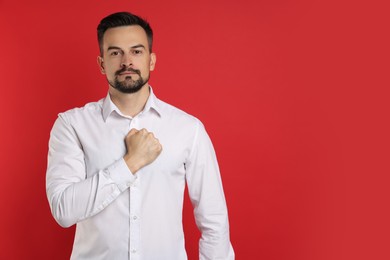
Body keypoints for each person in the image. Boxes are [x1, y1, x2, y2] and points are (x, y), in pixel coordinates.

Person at [46, 11, 234, 260]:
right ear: (102, 64)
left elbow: (214, 222)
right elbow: (64, 210)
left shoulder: (188, 129)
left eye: (136, 51)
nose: (127, 62)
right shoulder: (71, 125)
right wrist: (130, 162)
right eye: (115, 53)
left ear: (151, 60)